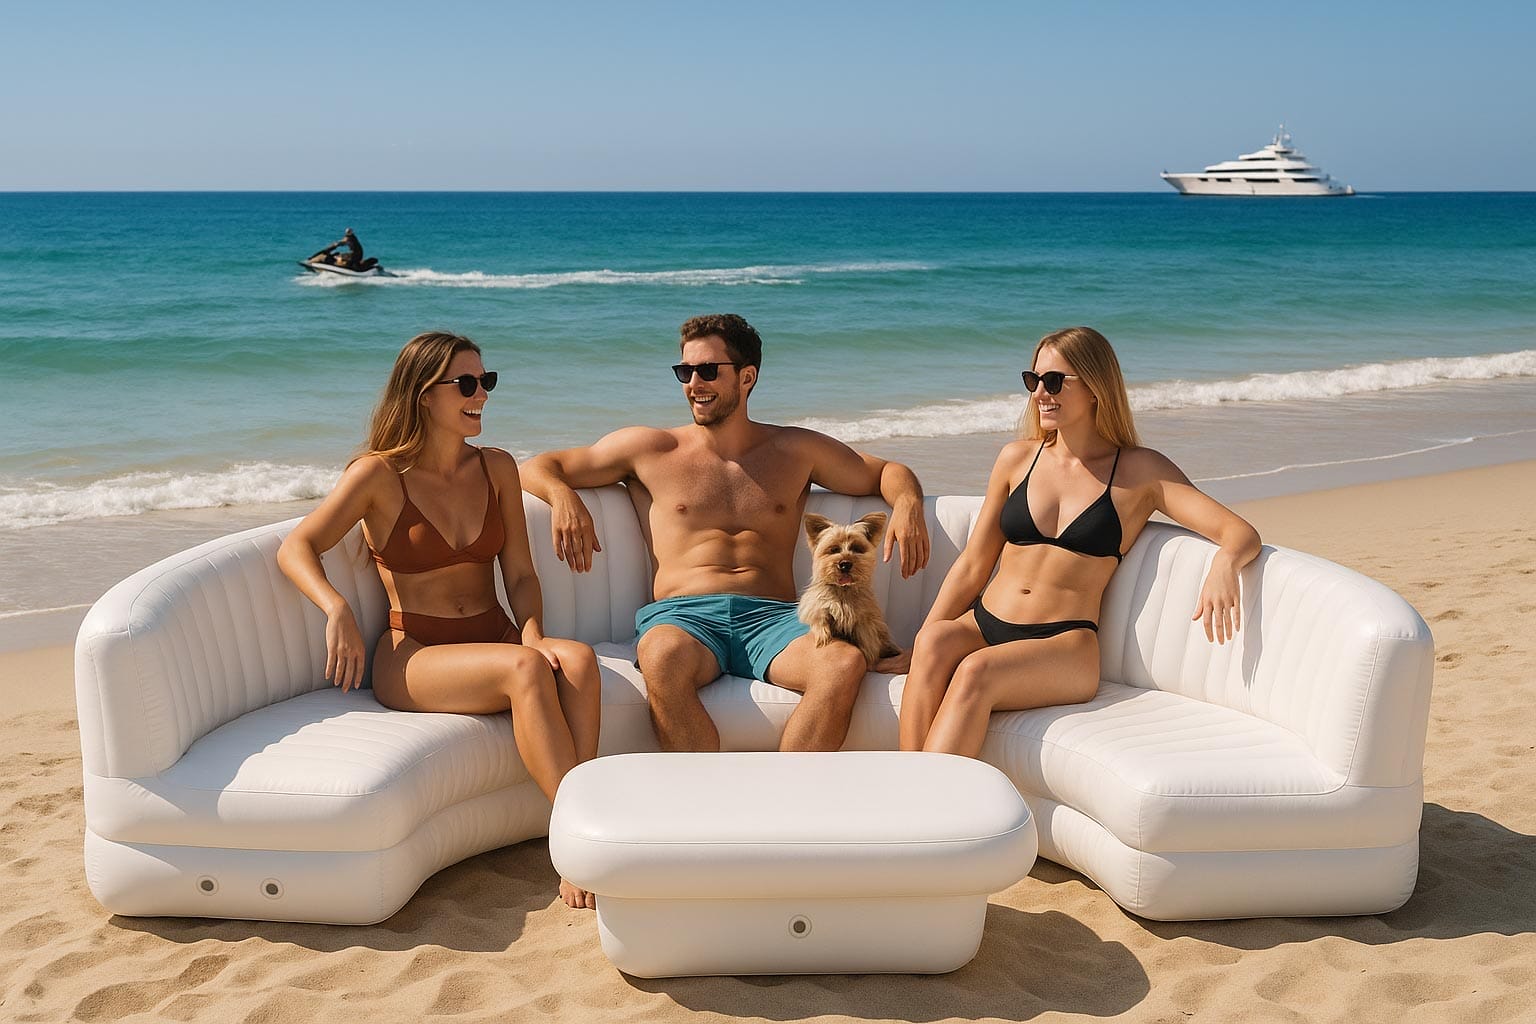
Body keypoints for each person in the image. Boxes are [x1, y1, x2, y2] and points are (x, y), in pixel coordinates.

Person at [277, 331, 601, 909]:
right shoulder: (379, 475)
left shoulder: (496, 467)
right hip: (415, 652)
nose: (482, 395)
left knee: (576, 659)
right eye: (468, 385)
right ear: (426, 394)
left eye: (487, 382)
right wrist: (337, 608)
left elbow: (521, 576)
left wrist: (533, 634)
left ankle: (580, 818)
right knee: (527, 671)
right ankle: (583, 838)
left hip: (496, 635)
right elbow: (297, 546)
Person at [521, 313, 931, 754]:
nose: (694, 383)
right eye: (685, 371)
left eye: (708, 370)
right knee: (660, 657)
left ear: (747, 376)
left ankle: (785, 803)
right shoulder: (651, 449)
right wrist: (562, 497)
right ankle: (705, 806)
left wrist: (908, 504)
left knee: (844, 661)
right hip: (683, 617)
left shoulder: (795, 450)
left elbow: (887, 472)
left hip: (774, 619)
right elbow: (538, 467)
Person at [898, 326, 1261, 757]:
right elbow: (974, 564)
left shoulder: (1140, 472)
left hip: (1063, 645)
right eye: (1033, 381)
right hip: (985, 622)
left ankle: (932, 816)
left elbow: (1240, 532)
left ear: (1094, 387)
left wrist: (1225, 564)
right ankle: (913, 795)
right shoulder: (1017, 458)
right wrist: (925, 638)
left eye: (1054, 381)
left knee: (976, 671)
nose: (1039, 394)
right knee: (935, 643)